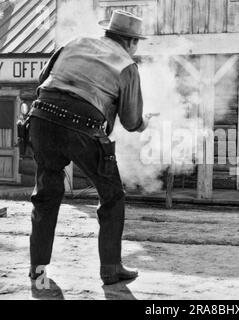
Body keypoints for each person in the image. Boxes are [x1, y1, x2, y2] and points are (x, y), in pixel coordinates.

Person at [28, 10, 150, 285]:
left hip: (42, 117)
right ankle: (110, 268)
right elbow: (130, 121)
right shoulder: (127, 65)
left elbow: (42, 80)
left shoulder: (73, 43)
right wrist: (144, 124)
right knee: (112, 196)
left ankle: (37, 270)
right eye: (137, 42)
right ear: (131, 41)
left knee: (46, 195)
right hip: (82, 125)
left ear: (108, 32)